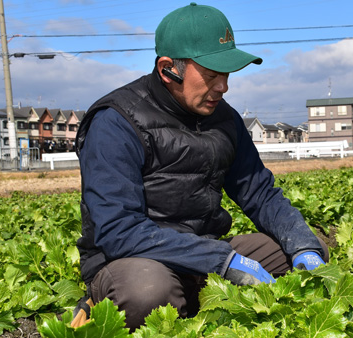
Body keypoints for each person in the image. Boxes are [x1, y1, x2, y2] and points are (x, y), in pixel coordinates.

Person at [73, 2, 329, 330]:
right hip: (135, 260)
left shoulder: (224, 118)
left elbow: (260, 193)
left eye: (226, 74)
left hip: (203, 252)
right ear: (168, 69)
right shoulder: (116, 122)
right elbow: (119, 231)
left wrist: (303, 246)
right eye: (211, 75)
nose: (223, 86)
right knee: (149, 294)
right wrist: (221, 261)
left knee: (310, 252)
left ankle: (196, 297)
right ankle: (102, 303)